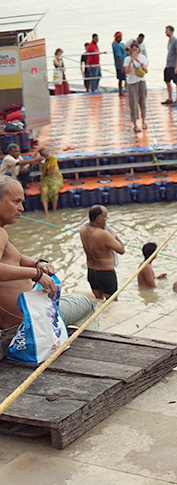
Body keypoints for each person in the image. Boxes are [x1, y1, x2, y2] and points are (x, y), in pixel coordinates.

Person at [0, 177, 96, 356]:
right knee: (89, 299)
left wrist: (38, 263)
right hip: (28, 322)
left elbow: (16, 258)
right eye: (16, 202)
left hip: (24, 318)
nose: (21, 208)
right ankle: (91, 354)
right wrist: (36, 274)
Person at [79, 205, 125, 299]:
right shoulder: (103, 234)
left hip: (91, 272)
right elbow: (121, 250)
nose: (106, 219)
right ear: (98, 219)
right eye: (105, 217)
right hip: (105, 273)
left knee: (98, 301)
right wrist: (114, 235)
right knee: (112, 304)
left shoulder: (83, 229)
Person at [124, 42, 148, 132]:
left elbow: (146, 70)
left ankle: (144, 121)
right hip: (132, 82)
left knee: (143, 101)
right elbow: (126, 72)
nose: (134, 51)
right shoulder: (127, 59)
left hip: (141, 81)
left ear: (138, 49)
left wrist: (138, 61)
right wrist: (131, 60)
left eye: (136, 49)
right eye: (133, 50)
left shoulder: (142, 58)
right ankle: (135, 124)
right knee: (133, 103)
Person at [38, 147, 64, 214]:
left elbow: (49, 171)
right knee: (44, 191)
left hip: (55, 177)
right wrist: (42, 162)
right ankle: (46, 212)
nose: (47, 157)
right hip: (45, 179)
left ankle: (54, 210)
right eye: (45, 157)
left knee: (54, 189)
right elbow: (44, 172)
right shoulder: (41, 161)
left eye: (47, 156)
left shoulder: (53, 158)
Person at [162, 25, 177, 105]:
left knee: (176, 82)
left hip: (173, 65)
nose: (166, 32)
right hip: (168, 65)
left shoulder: (176, 41)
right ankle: (170, 98)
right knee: (167, 81)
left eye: (167, 31)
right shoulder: (169, 41)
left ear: (171, 31)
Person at [112, 32, 126, 96]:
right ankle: (121, 92)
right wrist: (121, 67)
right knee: (121, 79)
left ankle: (123, 90)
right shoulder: (117, 45)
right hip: (120, 65)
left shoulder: (118, 44)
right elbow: (118, 56)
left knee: (124, 78)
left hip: (123, 63)